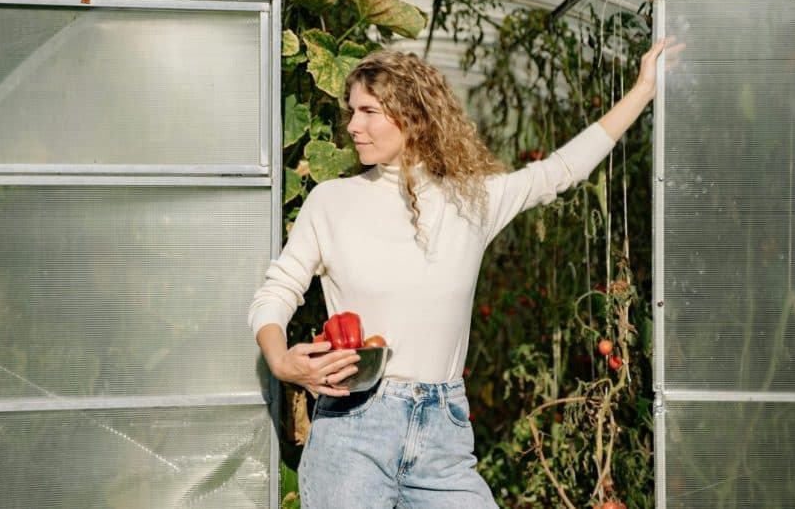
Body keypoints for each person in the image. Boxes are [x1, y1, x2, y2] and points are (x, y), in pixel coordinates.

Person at [248, 38, 673, 507]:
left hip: (442, 429)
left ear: (412, 114)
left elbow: (561, 170)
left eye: (368, 111)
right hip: (353, 426)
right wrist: (279, 358)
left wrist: (642, 90)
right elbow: (278, 290)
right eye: (351, 111)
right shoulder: (331, 201)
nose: (353, 126)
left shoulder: (473, 201)